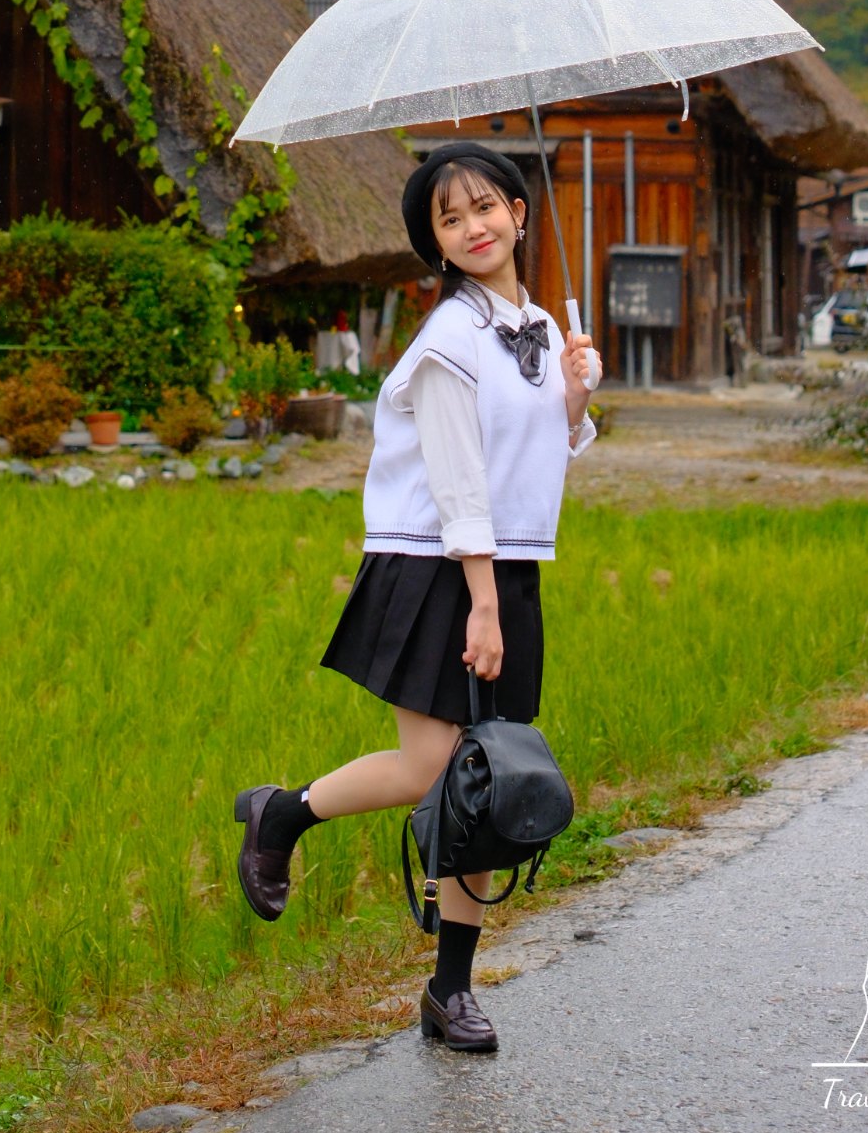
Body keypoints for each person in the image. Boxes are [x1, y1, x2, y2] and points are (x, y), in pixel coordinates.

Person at [232, 144, 600, 1056]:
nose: (474, 226)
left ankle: (449, 992)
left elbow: (545, 453)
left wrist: (576, 398)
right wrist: (480, 602)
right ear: (434, 243)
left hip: (504, 567)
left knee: (488, 778)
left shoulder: (545, 328)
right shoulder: (446, 343)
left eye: (486, 206)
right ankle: (284, 812)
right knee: (438, 767)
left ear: (519, 212)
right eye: (450, 218)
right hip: (435, 565)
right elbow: (457, 478)